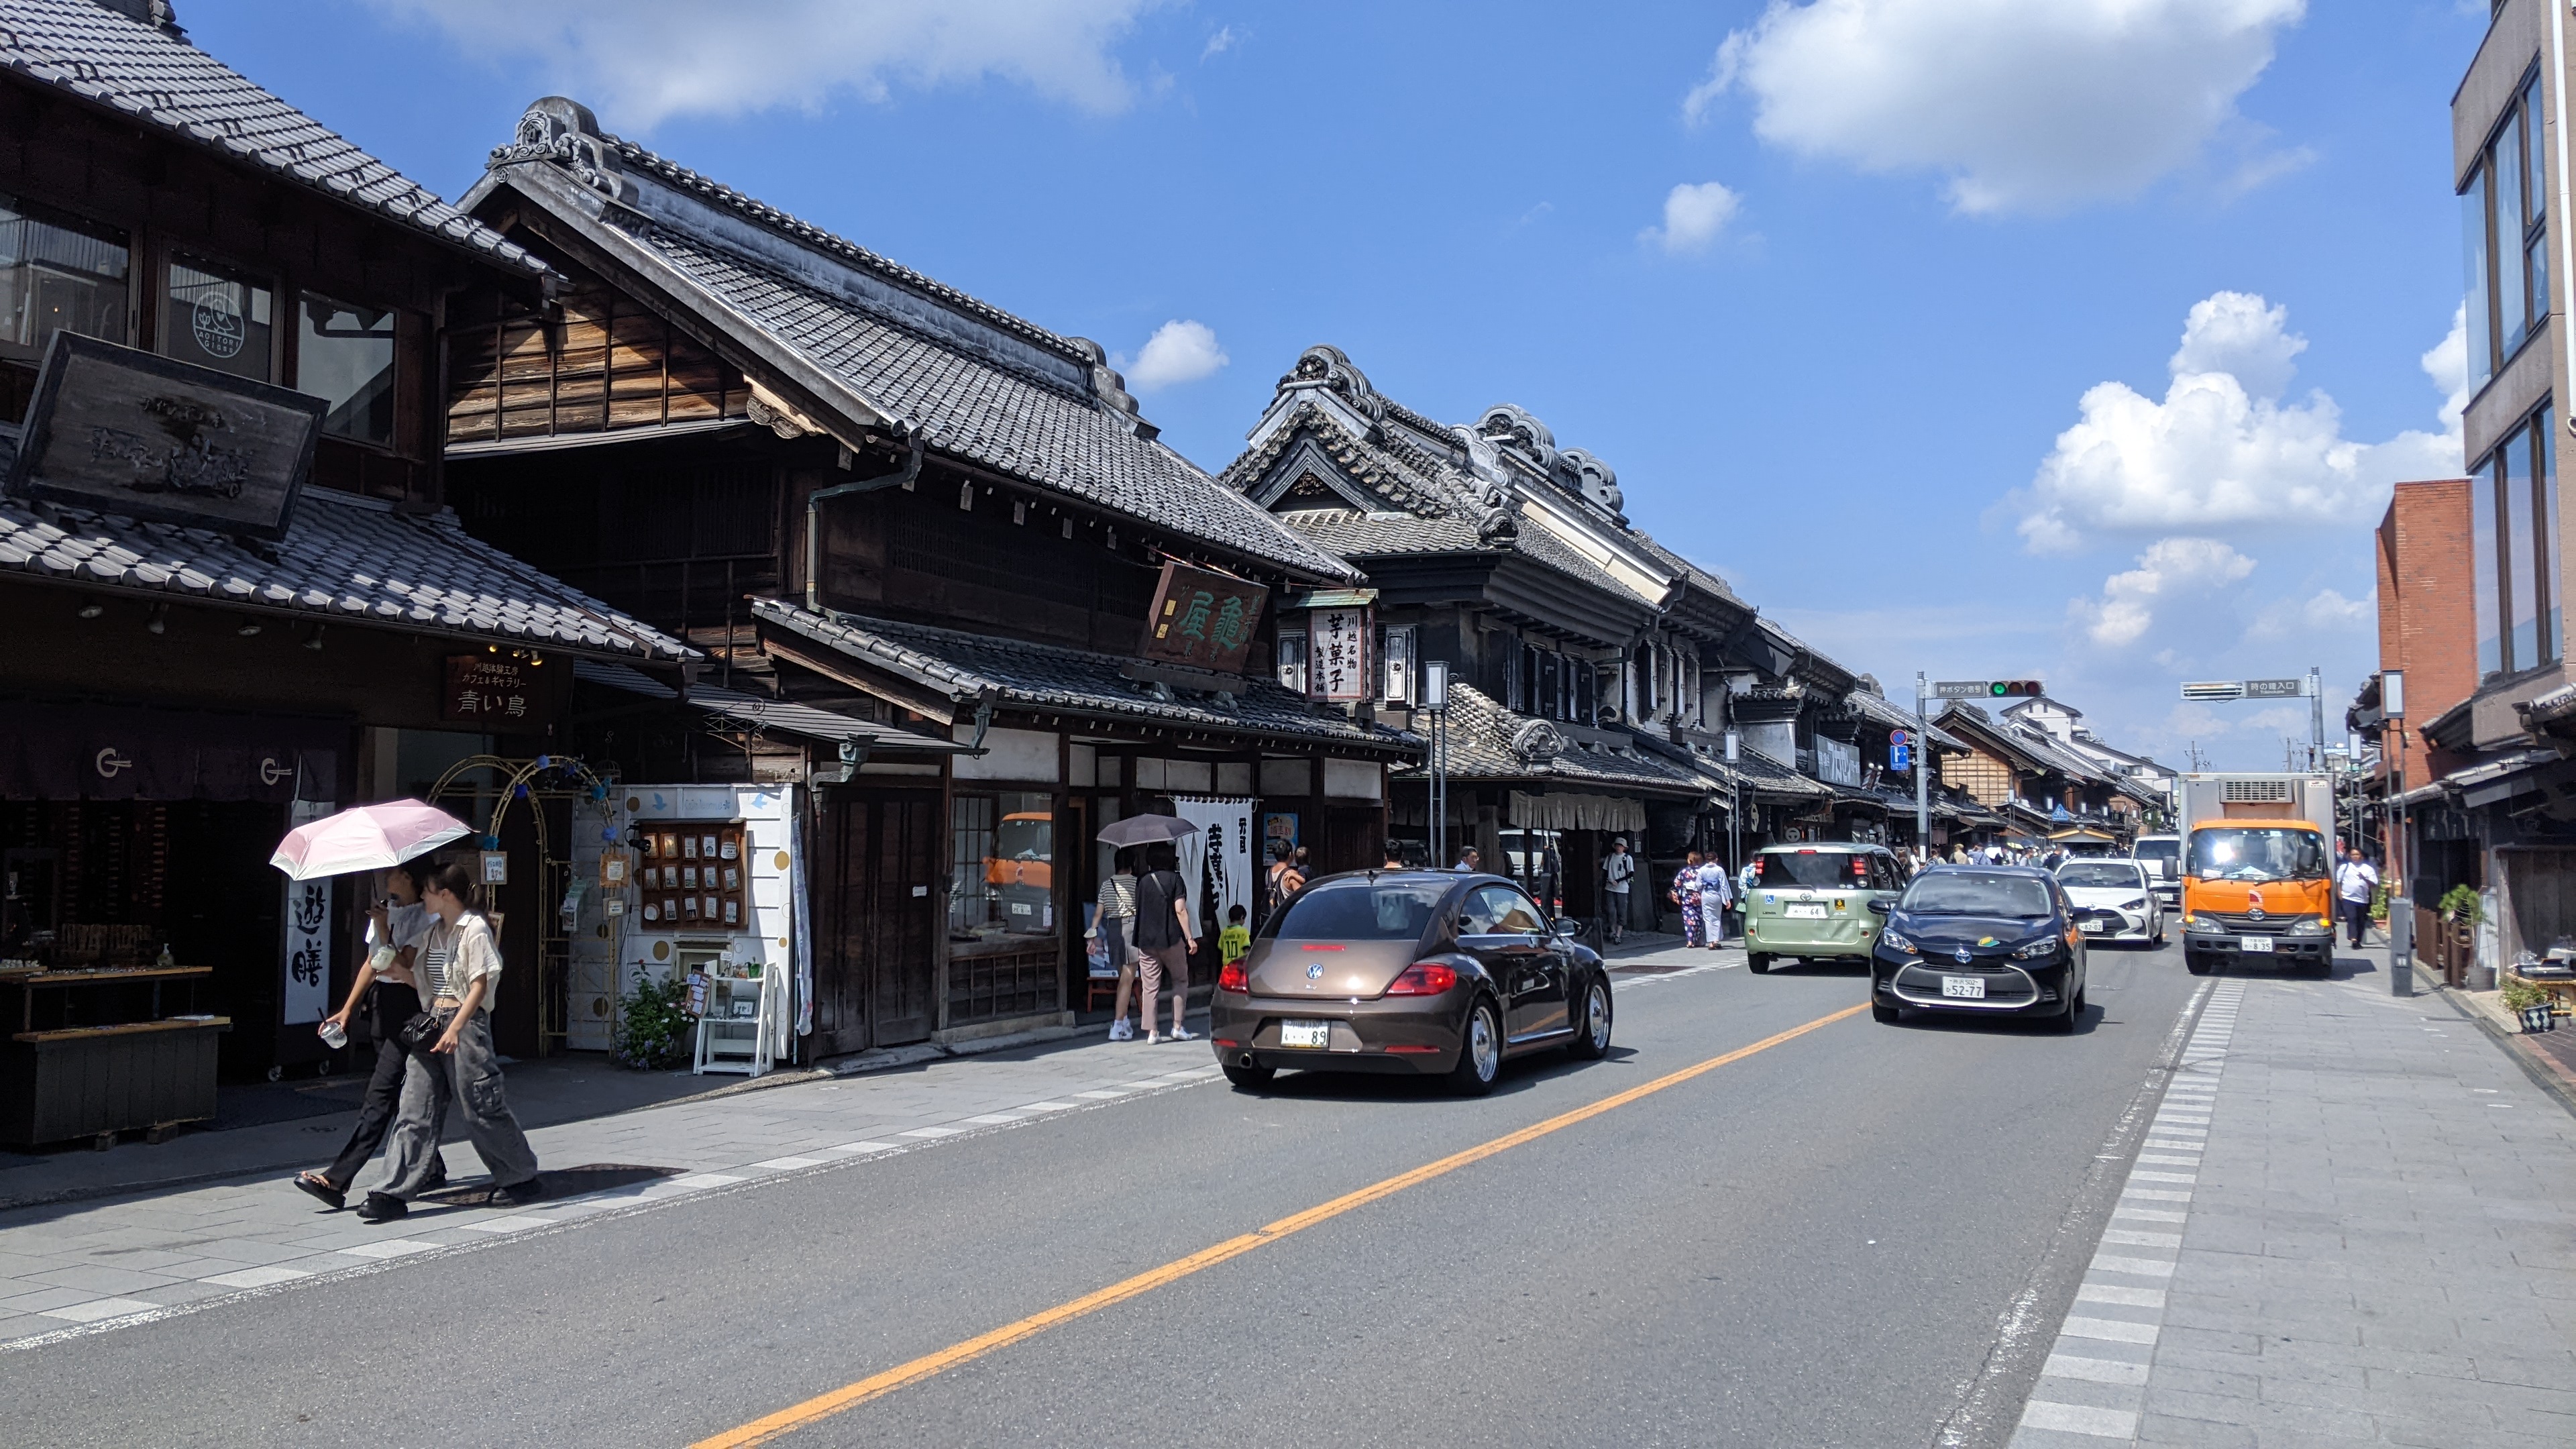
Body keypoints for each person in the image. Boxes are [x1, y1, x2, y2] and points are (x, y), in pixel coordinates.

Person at [359, 861, 541, 1224]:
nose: (422, 897)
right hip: (431, 1024)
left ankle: (520, 1175)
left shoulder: (474, 929)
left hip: (466, 1026)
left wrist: (456, 1028)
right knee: (414, 1108)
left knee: (480, 1107)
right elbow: (421, 982)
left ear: (445, 895)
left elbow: (479, 985)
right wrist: (395, 967)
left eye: (428, 891)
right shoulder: (432, 933)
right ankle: (391, 1191)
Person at [293, 865, 447, 1209]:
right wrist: (348, 1008)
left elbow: (397, 963)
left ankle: (337, 1179)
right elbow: (372, 963)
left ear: (409, 877)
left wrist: (382, 926)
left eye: (392, 873)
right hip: (384, 1003)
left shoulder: (426, 917)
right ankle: (432, 1166)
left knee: (380, 1095)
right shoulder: (387, 908)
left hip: (412, 1006)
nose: (385, 878)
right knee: (397, 1093)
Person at [1130, 845, 1198, 1044]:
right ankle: (1177, 1026)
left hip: (1146, 939)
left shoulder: (1142, 881)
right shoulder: (1176, 879)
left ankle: (1152, 1032)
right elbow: (1180, 910)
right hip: (1171, 939)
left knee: (1150, 987)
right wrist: (1190, 938)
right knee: (1180, 981)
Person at [1095, 851, 1140, 1040]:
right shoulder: (1136, 883)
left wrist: (1092, 935)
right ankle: (1118, 1025)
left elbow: (1098, 913)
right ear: (1132, 863)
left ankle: (1125, 1020)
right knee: (1128, 978)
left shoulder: (1107, 884)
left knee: (1123, 975)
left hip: (1112, 929)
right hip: (1130, 927)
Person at [2334, 846, 2379, 949]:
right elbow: (2338, 881)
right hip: (2348, 898)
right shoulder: (2345, 867)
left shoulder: (2368, 869)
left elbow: (2374, 884)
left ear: (2361, 856)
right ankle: (2353, 939)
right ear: (2350, 856)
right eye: (2353, 854)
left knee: (2361, 920)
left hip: (2363, 899)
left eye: (2357, 854)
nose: (2355, 856)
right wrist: (2339, 893)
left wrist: (2364, 878)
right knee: (2352, 918)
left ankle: (2358, 940)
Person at [1695, 852, 1734, 947]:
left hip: (1706, 895)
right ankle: (1716, 940)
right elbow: (1724, 885)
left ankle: (1711, 942)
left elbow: (1698, 885)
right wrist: (1728, 899)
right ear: (1716, 859)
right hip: (1717, 895)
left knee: (1708, 919)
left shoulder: (1701, 870)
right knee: (1717, 918)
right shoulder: (1719, 870)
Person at [1264, 840, 1307, 924]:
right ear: (1291, 854)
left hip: (1270, 921)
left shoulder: (1268, 872)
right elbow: (1303, 898)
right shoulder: (1291, 874)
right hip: (1287, 921)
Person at [1603, 837, 1635, 945]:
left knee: (1622, 911)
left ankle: (1618, 933)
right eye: (1617, 845)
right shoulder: (1610, 857)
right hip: (1610, 887)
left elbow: (1631, 873)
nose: (1619, 848)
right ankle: (1612, 930)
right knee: (1611, 911)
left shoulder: (1627, 858)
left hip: (1622, 888)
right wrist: (1608, 880)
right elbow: (1605, 870)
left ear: (1624, 848)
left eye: (1621, 846)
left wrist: (1618, 880)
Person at [1672, 851, 1705, 949]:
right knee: (1699, 919)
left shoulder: (1685, 871)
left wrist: (1679, 891)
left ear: (1689, 861)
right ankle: (1698, 939)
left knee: (1689, 920)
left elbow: (1677, 883)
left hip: (1688, 897)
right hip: (1700, 897)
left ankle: (1690, 941)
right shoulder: (1702, 871)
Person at [1218, 904, 1251, 975]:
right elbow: (1246, 950)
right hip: (1239, 966)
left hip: (1226, 967)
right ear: (1242, 917)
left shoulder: (1224, 932)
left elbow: (1220, 947)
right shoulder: (1244, 932)